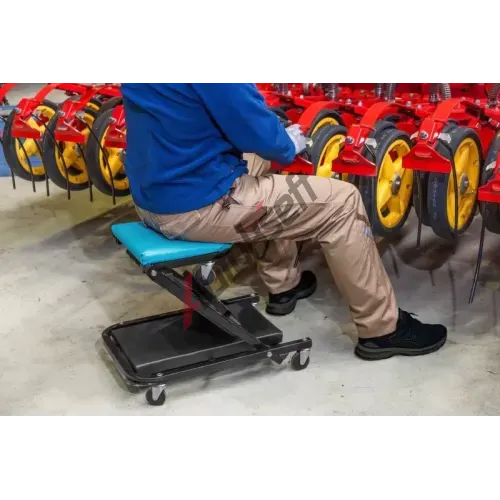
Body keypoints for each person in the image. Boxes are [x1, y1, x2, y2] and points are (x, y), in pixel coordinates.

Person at [120, 81, 447, 361]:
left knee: (261, 161)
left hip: (153, 195)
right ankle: (383, 329)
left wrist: (273, 143)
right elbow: (258, 131)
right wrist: (288, 143)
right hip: (198, 206)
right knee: (342, 202)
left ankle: (284, 286)